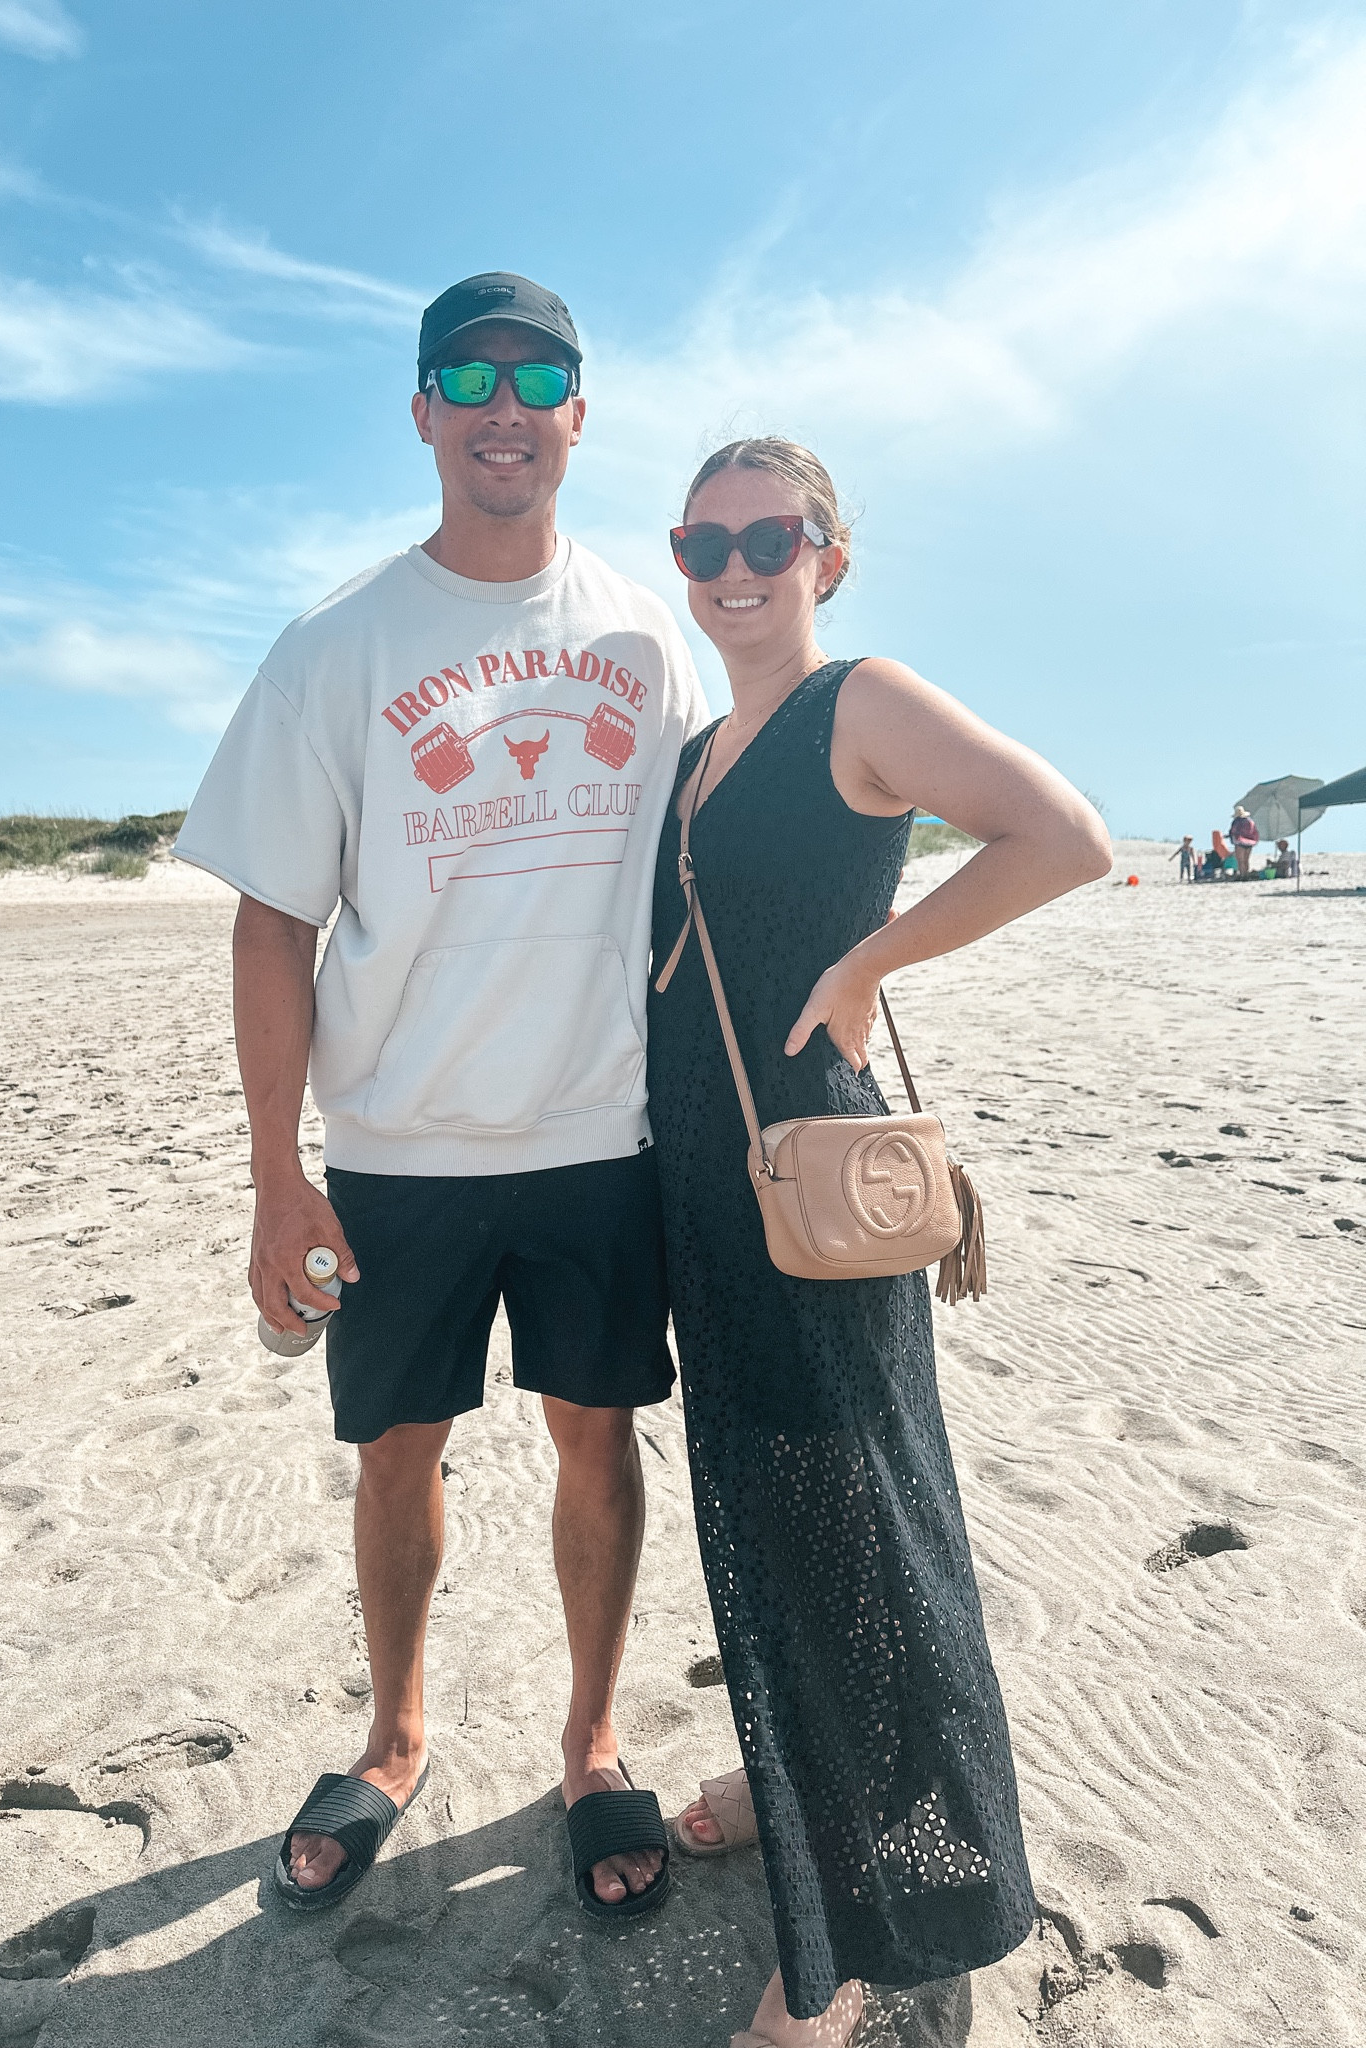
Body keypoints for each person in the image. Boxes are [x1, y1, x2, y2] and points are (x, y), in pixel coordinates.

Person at [175, 273, 707, 1920]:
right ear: (420, 413)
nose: (499, 403)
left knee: (595, 1442)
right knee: (396, 1455)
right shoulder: (338, 644)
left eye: (533, 373)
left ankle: (593, 1733)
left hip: (595, 1139)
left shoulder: (643, 631)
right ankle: (396, 1726)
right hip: (397, 1148)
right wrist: (280, 1170)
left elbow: (707, 877)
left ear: (577, 409)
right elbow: (277, 913)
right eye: (462, 374)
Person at [645, 438, 1111, 2047]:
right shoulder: (702, 749)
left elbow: (1060, 835)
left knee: (863, 1534)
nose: (736, 567)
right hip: (713, 1187)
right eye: (706, 541)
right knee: (771, 1526)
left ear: (827, 554)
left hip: (821, 1181)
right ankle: (795, 1798)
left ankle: (847, 1947)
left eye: (771, 535)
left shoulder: (863, 700)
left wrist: (867, 968)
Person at [1230, 806, 1260, 878]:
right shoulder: (1250, 821)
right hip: (1250, 842)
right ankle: (1246, 874)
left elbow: (1233, 831)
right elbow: (1254, 832)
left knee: (1240, 860)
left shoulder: (1236, 822)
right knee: (1246, 860)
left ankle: (1242, 875)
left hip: (1240, 842)